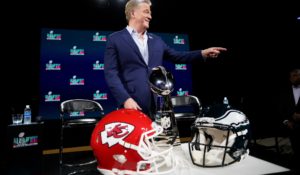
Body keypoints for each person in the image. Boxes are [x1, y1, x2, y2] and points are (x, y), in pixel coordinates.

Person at [104, 0, 227, 119]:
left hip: (160, 104)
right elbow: (111, 74)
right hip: (133, 104)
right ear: (133, 13)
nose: (150, 16)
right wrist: (125, 99)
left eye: (150, 13)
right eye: (146, 12)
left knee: (162, 139)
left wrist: (202, 53)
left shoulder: (157, 40)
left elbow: (177, 56)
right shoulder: (115, 39)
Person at [278, 68, 300, 168]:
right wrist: (286, 121)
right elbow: (280, 109)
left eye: (297, 75)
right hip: (291, 125)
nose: (296, 78)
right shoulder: (284, 92)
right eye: (293, 76)